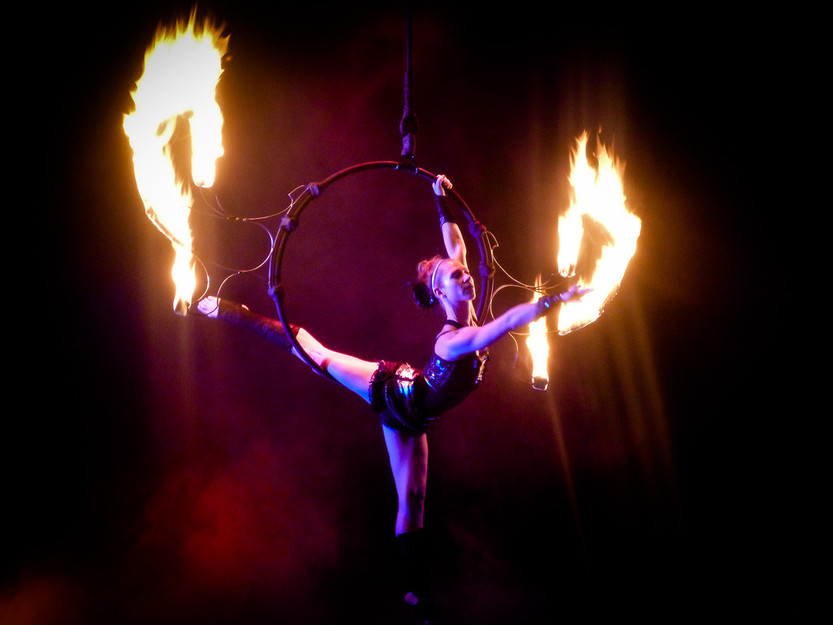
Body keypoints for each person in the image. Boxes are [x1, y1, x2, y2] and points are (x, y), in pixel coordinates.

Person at [196, 175, 586, 623]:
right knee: (317, 356)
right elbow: (506, 324)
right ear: (440, 292)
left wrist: (440, 196)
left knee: (413, 501)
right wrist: (554, 300)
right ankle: (235, 314)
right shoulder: (454, 340)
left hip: (414, 419)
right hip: (391, 389)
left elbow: (456, 245)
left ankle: (415, 594)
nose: (464, 274)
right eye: (455, 275)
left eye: (462, 272)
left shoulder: (465, 303)